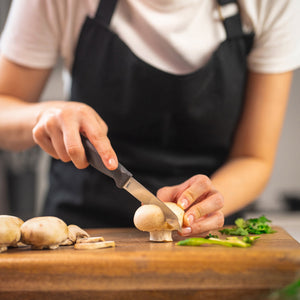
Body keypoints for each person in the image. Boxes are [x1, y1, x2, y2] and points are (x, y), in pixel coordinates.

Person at [0, 0, 299, 235]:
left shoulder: (271, 3)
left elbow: (254, 157)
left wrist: (200, 206)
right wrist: (43, 114)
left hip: (203, 239)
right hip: (81, 231)